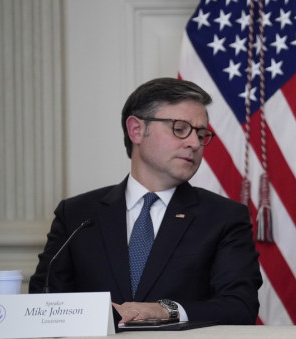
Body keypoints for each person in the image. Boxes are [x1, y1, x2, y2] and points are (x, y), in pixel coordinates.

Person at [30, 77, 262, 325]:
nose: (194, 143)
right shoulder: (77, 215)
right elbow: (44, 303)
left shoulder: (223, 217)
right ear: (136, 130)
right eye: (180, 129)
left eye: (201, 134)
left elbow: (240, 306)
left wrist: (166, 310)